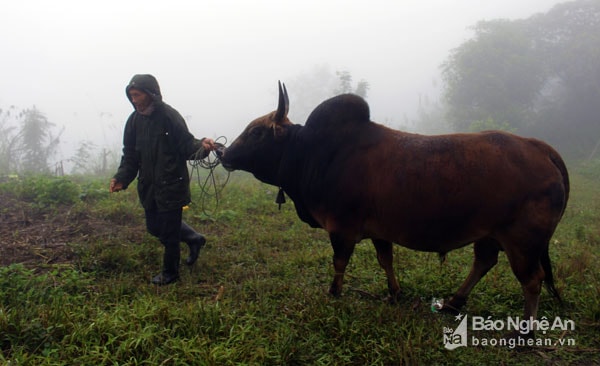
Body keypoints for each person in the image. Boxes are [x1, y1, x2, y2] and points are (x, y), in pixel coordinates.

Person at [110, 74, 216, 285]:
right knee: (155, 228)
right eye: (131, 95)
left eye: (137, 95)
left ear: (150, 94)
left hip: (172, 184)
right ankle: (194, 239)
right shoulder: (133, 122)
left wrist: (202, 147)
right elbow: (130, 155)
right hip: (148, 186)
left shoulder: (169, 116)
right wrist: (122, 177)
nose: (134, 100)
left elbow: (187, 144)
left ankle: (170, 274)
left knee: (168, 233)